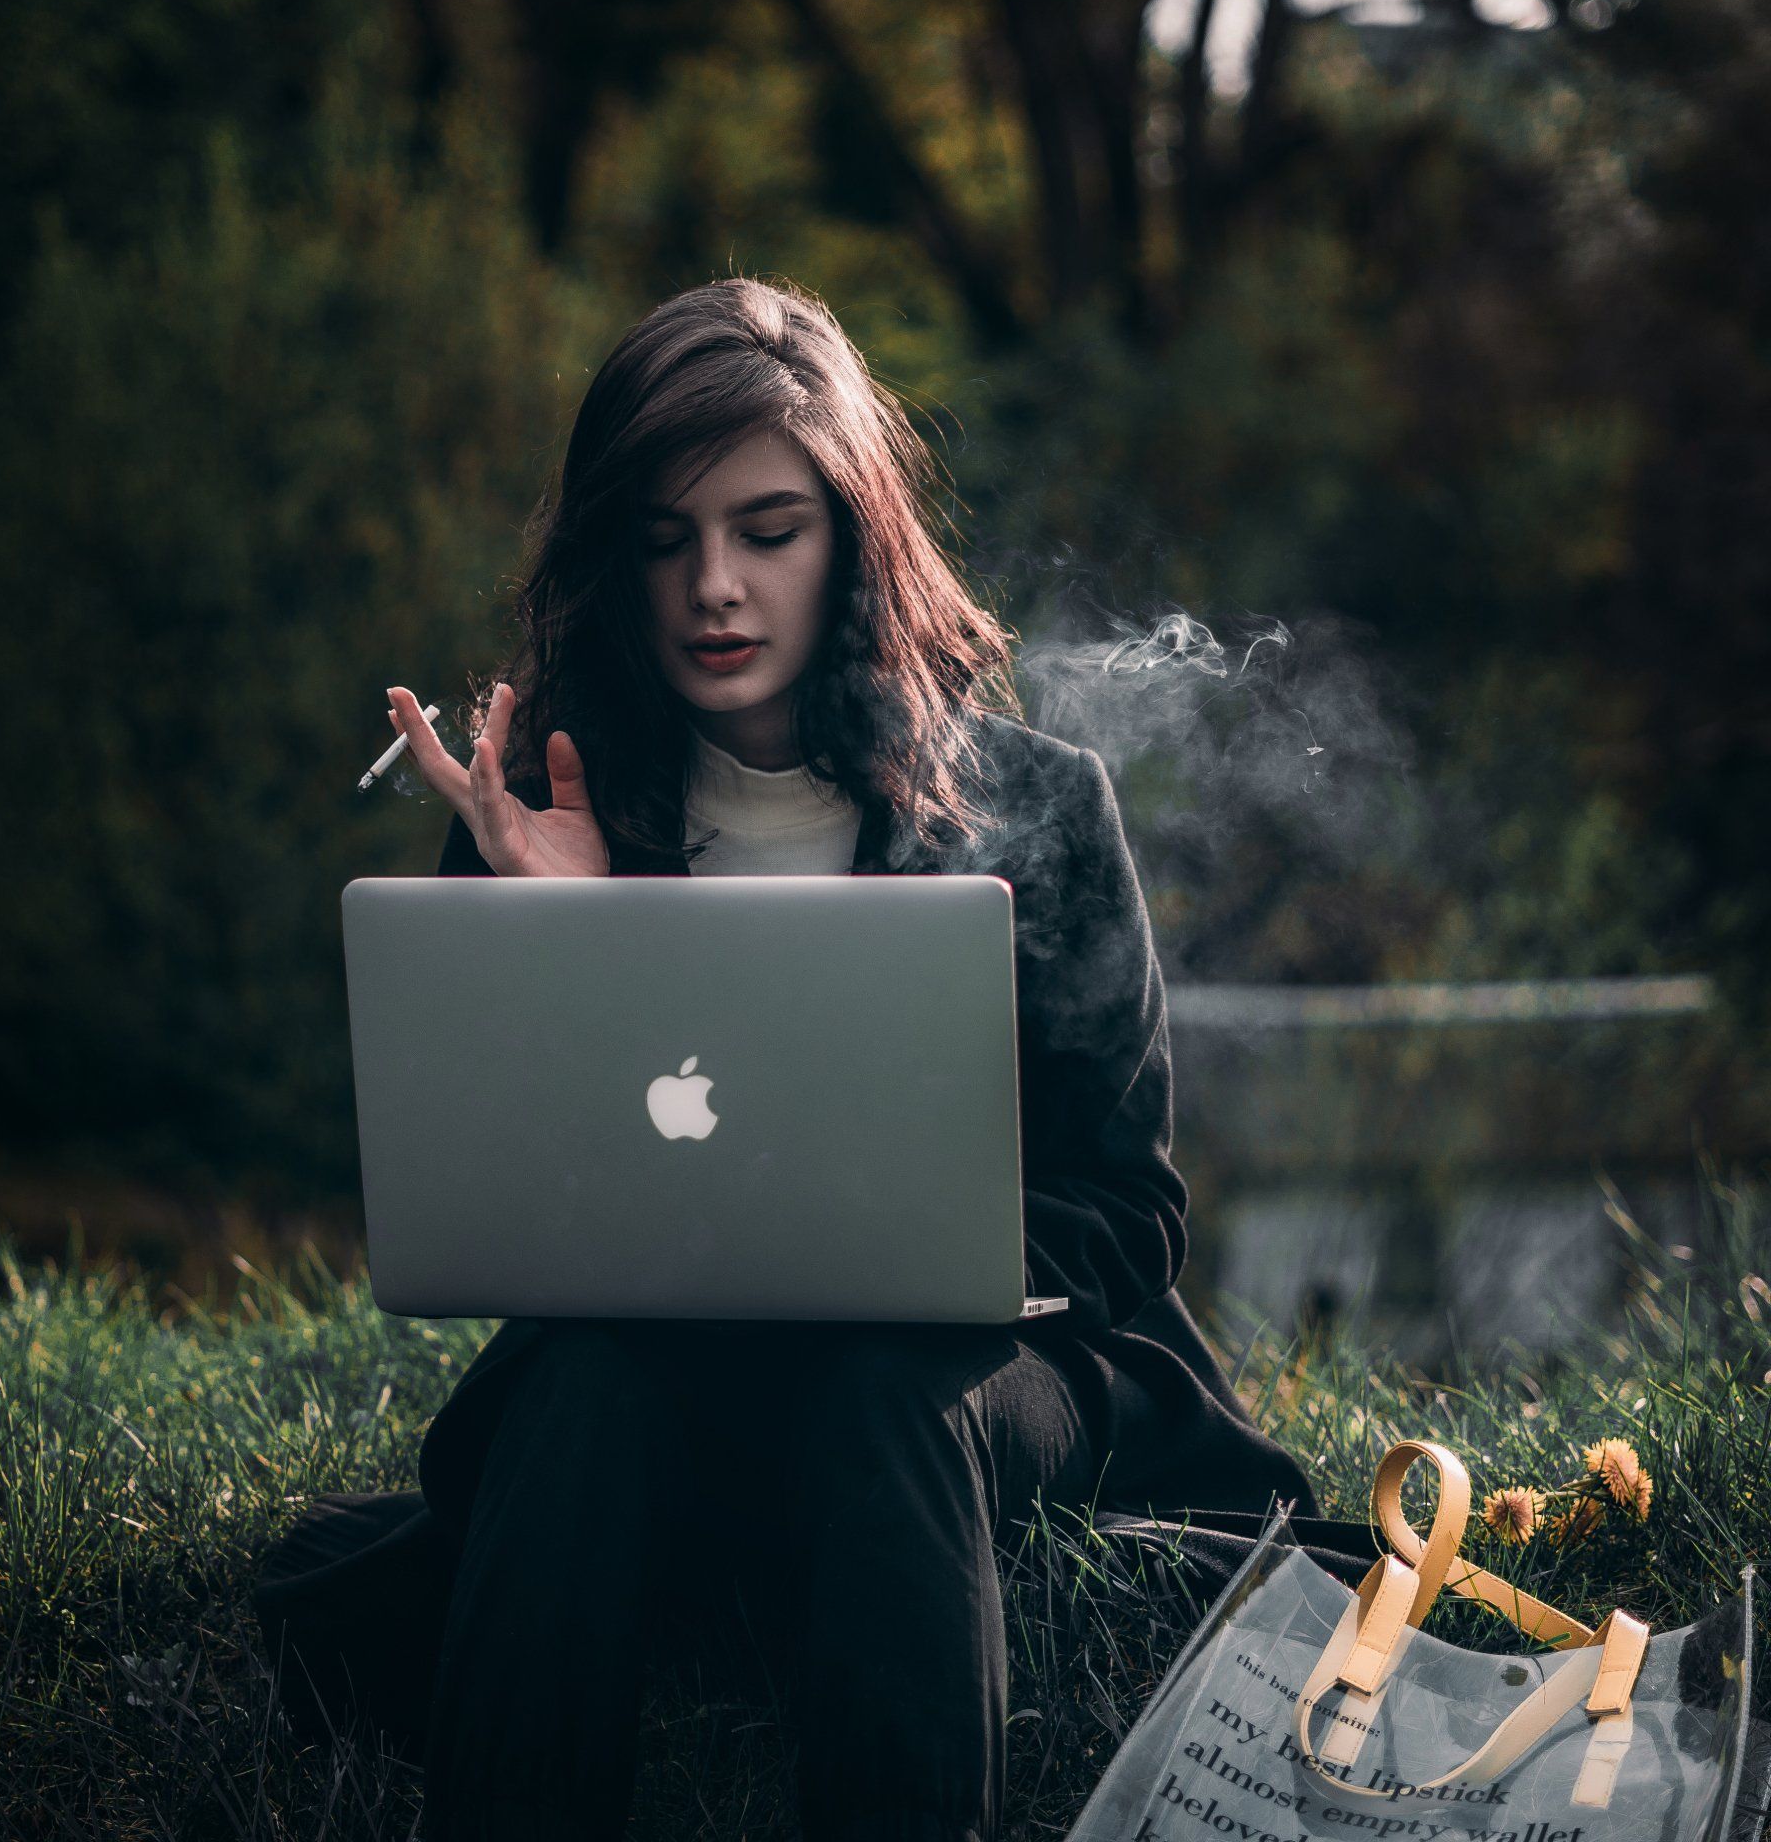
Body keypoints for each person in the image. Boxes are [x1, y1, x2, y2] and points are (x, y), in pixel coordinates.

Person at [266, 275, 1325, 1842]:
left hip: (976, 1377)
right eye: (664, 537)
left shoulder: (1037, 805)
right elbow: (505, 1201)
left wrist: (916, 1261)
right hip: (663, 1369)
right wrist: (585, 934)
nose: (715, 586)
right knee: (587, 1386)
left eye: (768, 532)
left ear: (852, 534)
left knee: (878, 1380)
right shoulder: (551, 807)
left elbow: (1125, 1210)